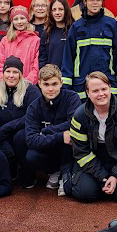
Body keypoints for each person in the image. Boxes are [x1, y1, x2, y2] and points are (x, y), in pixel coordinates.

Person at [66, 72, 117, 202]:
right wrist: (103, 177)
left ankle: (108, 185)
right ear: (87, 93)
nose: (101, 94)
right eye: (95, 91)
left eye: (104, 89)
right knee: (85, 194)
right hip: (94, 158)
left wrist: (116, 175)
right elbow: (81, 152)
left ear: (110, 88)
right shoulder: (79, 116)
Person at [62, 0, 117, 99]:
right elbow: (68, 57)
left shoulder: (111, 24)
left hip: (107, 82)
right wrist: (66, 87)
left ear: (102, 1)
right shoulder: (76, 27)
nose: (95, 2)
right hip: (81, 85)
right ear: (84, 1)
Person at [24, 64, 81, 194]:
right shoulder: (34, 107)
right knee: (31, 156)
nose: (50, 89)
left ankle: (68, 172)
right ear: (39, 84)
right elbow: (31, 140)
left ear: (61, 83)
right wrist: (59, 136)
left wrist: (45, 131)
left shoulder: (72, 97)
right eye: (46, 84)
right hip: (50, 149)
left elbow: (74, 123)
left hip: (70, 149)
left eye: (54, 84)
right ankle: (55, 171)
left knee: (72, 137)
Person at [0, 56, 39, 184]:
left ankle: (28, 172)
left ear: (21, 74)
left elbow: (32, 117)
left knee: (20, 136)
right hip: (2, 136)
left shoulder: (31, 90)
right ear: (3, 73)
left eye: (15, 72)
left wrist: (6, 129)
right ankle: (9, 169)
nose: (11, 75)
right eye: (8, 71)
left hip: (23, 134)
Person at [0, 7, 40, 83]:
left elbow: (36, 66)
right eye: (16, 19)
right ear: (12, 22)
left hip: (27, 85)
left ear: (27, 20)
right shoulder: (6, 40)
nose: (19, 22)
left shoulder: (35, 40)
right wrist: (3, 81)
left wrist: (26, 83)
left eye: (22, 18)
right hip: (7, 84)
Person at [39, 0, 71, 71]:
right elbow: (42, 59)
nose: (57, 13)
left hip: (70, 77)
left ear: (66, 10)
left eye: (60, 9)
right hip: (51, 77)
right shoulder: (46, 33)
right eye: (54, 10)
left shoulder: (73, 31)